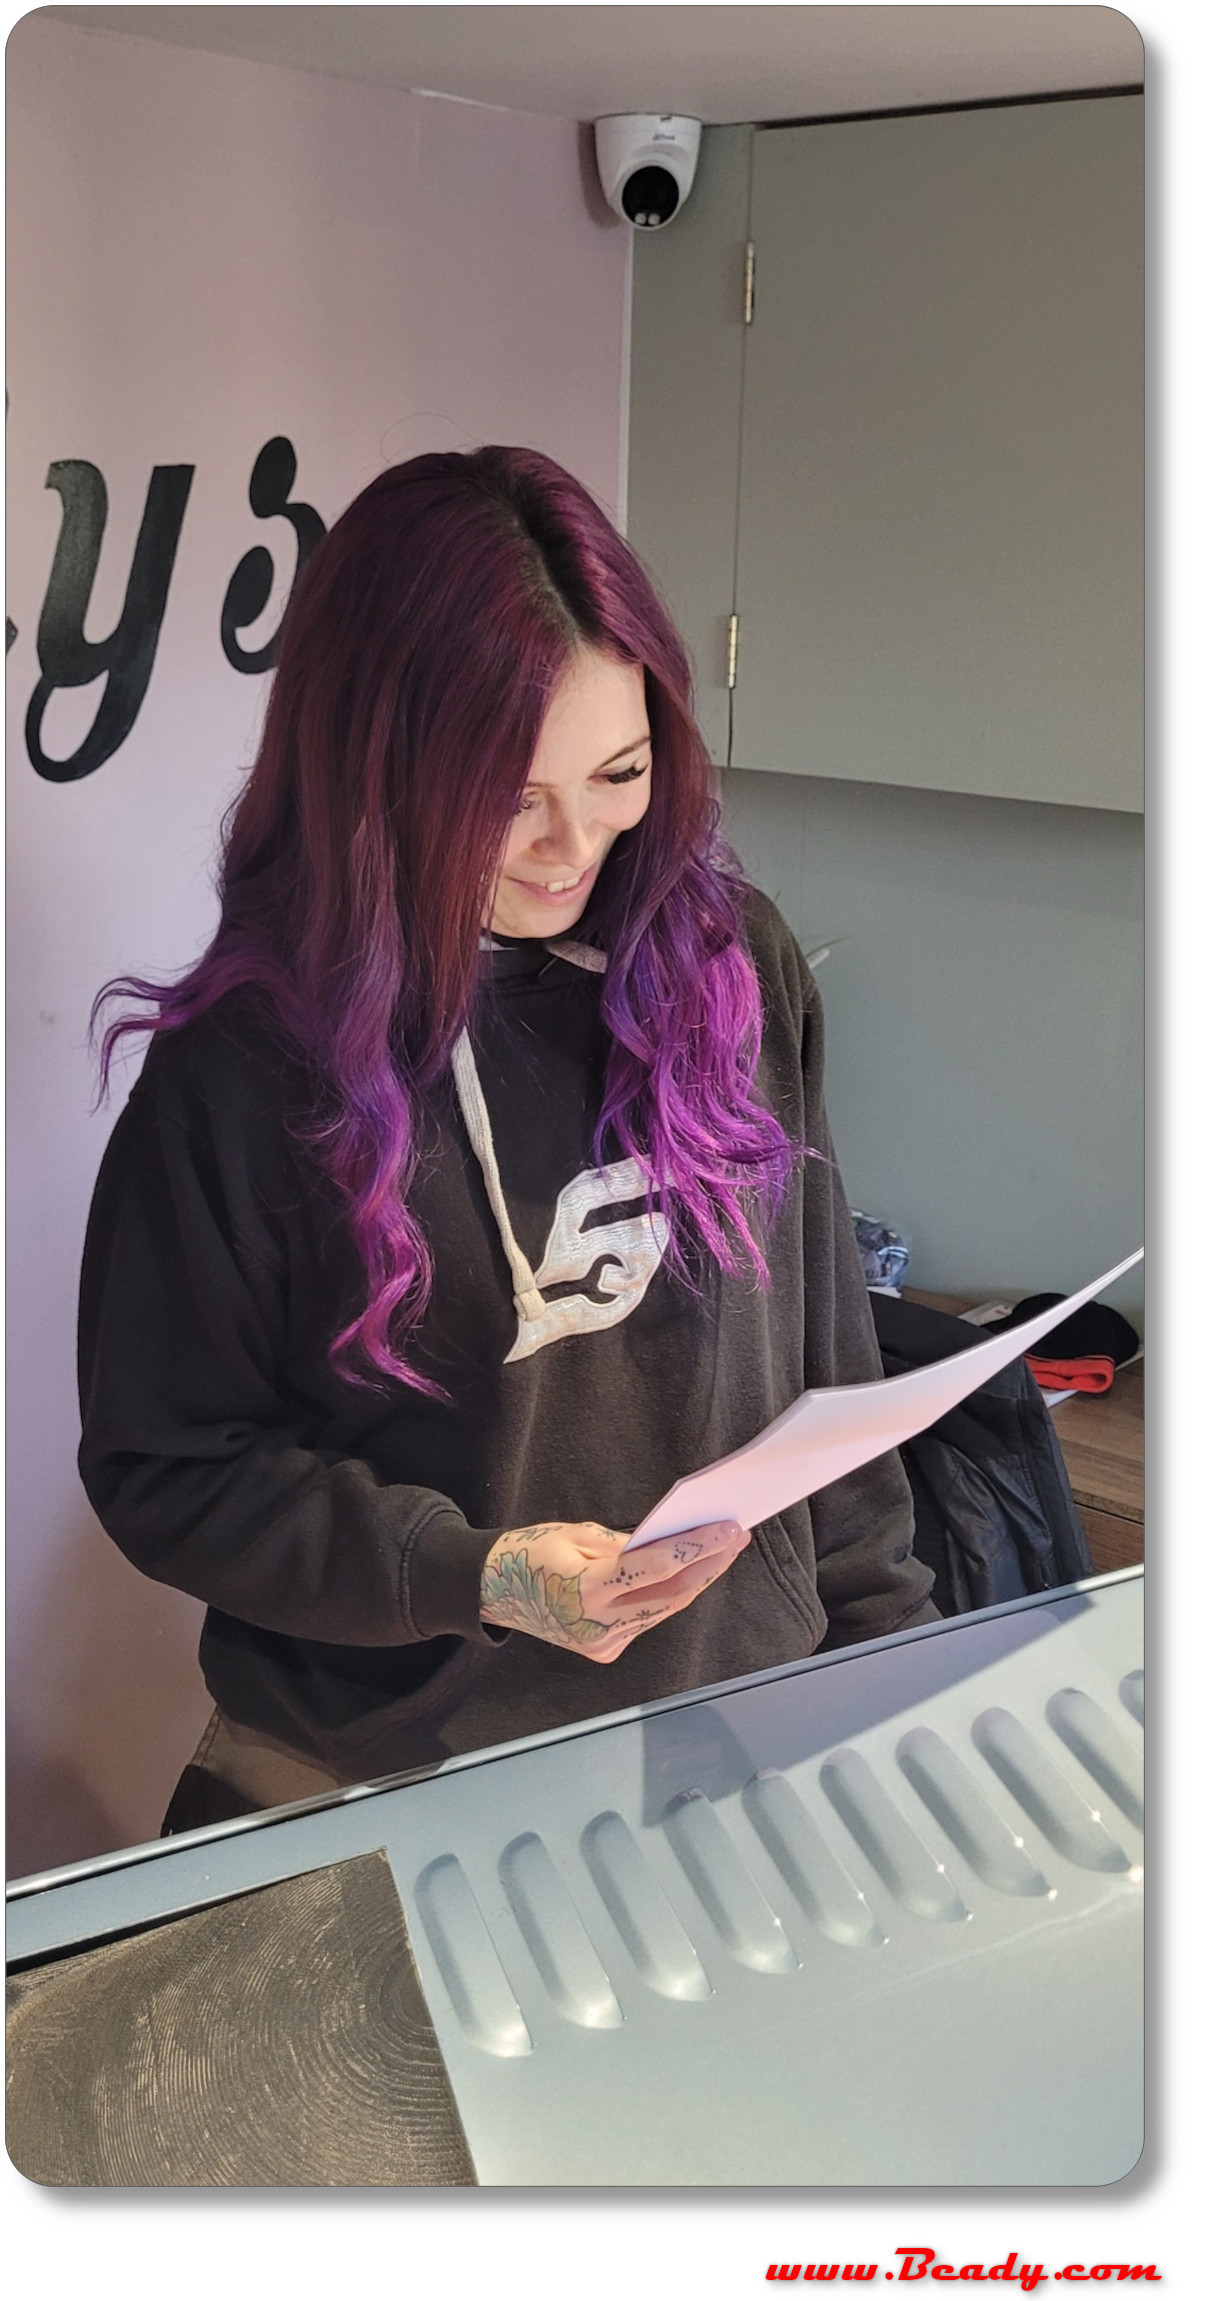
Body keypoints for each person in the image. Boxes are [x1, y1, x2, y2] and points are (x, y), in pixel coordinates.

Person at [78, 446, 936, 1833]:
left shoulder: (735, 968)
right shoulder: (245, 1073)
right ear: (375, 764)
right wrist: (476, 1568)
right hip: (385, 1780)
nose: (571, 843)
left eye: (617, 774)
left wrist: (886, 1656)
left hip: (726, 1742)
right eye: (507, 795)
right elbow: (169, 1467)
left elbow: (826, 1359)